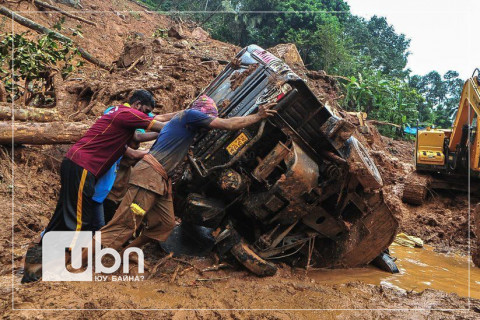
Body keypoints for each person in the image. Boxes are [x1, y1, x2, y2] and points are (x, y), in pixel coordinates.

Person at [96, 95, 276, 269]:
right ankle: (81, 261)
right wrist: (258, 116)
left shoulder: (185, 125)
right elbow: (227, 125)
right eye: (207, 118)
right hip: (149, 175)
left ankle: (130, 251)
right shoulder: (190, 116)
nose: (208, 124)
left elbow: (163, 120)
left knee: (165, 224)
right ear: (199, 115)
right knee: (125, 223)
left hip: (160, 179)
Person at [21, 89, 177, 283]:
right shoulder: (127, 114)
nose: (146, 116)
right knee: (78, 221)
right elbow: (164, 126)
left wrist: (181, 115)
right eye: (145, 111)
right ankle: (62, 268)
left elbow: (148, 128)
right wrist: (186, 123)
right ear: (137, 106)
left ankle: (34, 267)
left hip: (76, 163)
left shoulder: (120, 115)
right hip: (83, 166)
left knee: (62, 215)